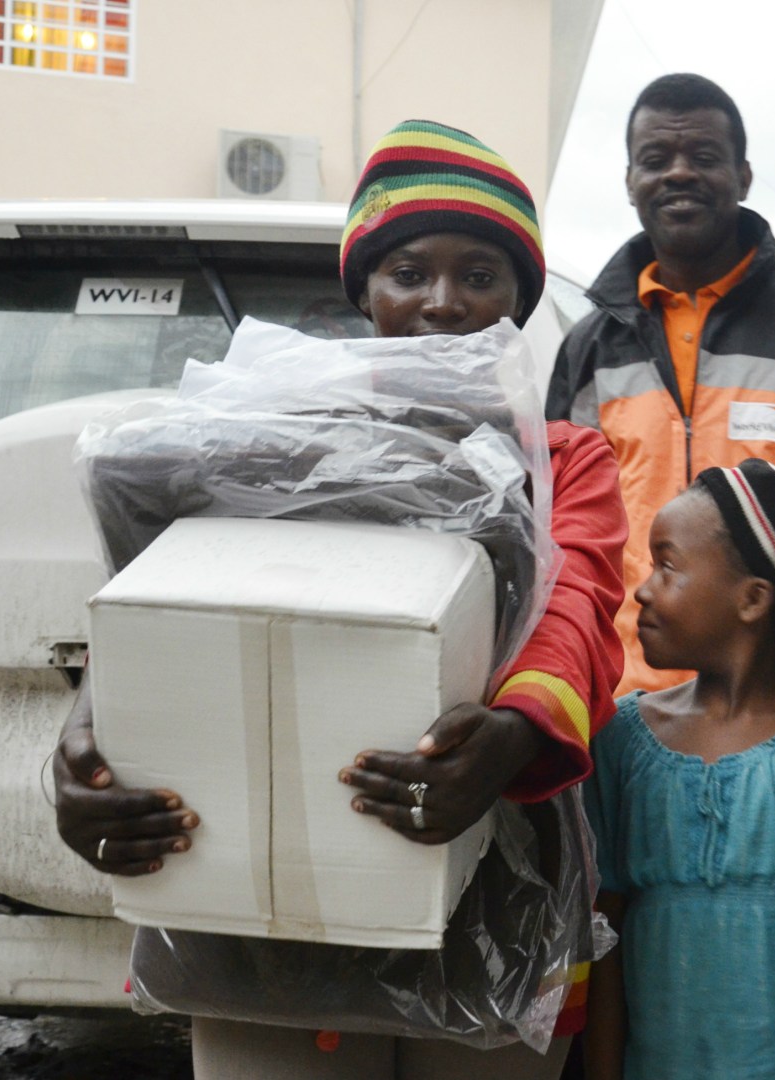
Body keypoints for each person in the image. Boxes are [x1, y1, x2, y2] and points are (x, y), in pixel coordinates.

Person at [52, 120, 627, 1079]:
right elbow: (169, 604)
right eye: (409, 272)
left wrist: (515, 734)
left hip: (498, 872)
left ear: (521, 303)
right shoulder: (273, 438)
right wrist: (89, 740)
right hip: (265, 897)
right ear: (364, 291)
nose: (443, 302)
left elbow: (582, 603)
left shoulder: (566, 457)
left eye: (480, 275)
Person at [546, 72, 775, 694]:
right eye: (655, 160)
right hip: (622, 705)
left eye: (704, 157)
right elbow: (562, 539)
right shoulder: (589, 348)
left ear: (744, 176)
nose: (678, 173)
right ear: (630, 182)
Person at [583, 458, 775, 1080]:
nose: (643, 588)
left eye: (668, 565)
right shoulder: (621, 740)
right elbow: (606, 939)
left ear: (752, 599)